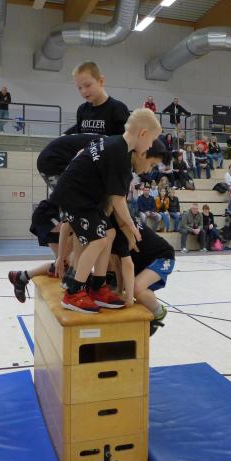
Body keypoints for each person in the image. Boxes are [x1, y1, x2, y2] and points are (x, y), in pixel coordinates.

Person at [54, 109, 162, 313]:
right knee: (98, 240)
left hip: (84, 196)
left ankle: (97, 286)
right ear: (143, 133)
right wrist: (132, 226)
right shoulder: (118, 152)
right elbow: (118, 200)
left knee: (109, 233)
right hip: (74, 195)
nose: (150, 146)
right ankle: (74, 293)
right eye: (151, 140)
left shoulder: (116, 145)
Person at [68, 61, 129, 136]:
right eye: (79, 88)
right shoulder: (82, 109)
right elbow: (77, 136)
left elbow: (125, 140)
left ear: (101, 81)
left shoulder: (118, 109)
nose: (83, 91)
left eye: (88, 85)